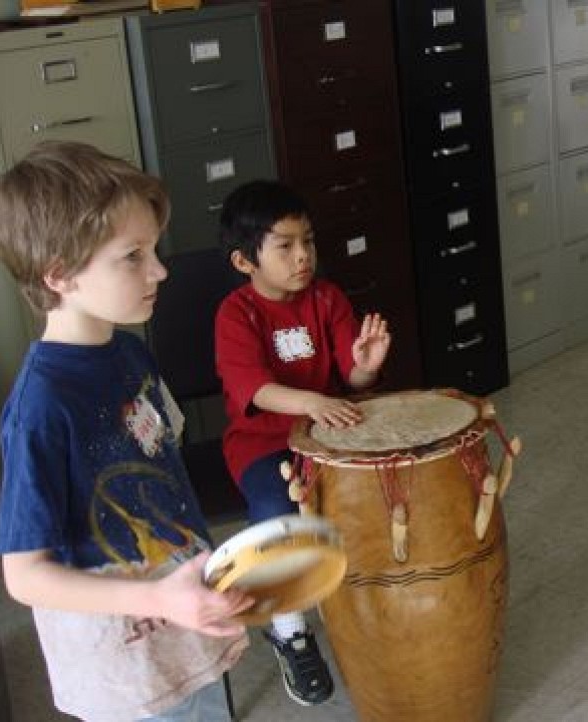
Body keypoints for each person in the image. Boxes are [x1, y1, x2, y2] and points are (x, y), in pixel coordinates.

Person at [0, 140, 251, 721]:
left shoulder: (132, 355)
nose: (159, 270)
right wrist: (155, 597)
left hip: (182, 620)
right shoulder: (40, 405)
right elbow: (24, 576)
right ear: (60, 275)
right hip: (126, 662)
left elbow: (161, 471)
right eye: (133, 255)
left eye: (154, 249)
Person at [214, 179, 390, 705]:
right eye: (285, 246)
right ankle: (289, 628)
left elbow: (350, 377)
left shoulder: (328, 298)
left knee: (379, 497)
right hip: (262, 443)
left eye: (308, 242)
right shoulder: (235, 314)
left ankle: (369, 601)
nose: (302, 257)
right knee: (277, 513)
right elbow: (256, 390)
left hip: (328, 432)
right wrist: (312, 402)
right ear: (246, 262)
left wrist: (364, 366)